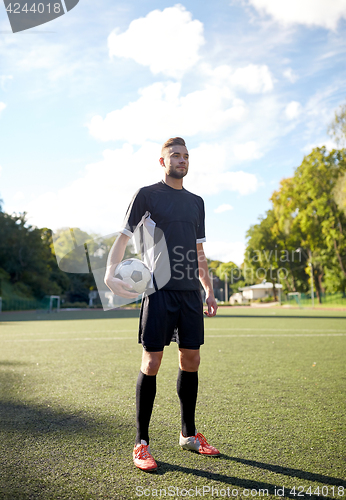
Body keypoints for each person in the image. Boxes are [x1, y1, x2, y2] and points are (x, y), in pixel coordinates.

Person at [104, 137, 220, 472]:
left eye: (185, 156)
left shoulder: (197, 202)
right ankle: (141, 443)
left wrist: (208, 291)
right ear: (162, 161)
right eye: (175, 155)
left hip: (189, 295)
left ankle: (188, 435)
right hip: (158, 291)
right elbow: (123, 237)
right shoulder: (147, 195)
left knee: (192, 358)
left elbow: (199, 253)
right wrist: (111, 271)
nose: (181, 160)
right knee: (152, 361)